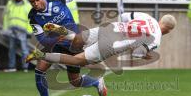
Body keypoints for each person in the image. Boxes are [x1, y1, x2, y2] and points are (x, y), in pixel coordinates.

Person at [26, 0, 107, 96]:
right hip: (55, 44)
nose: (35, 3)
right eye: (32, 2)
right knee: (39, 70)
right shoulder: (33, 17)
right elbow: (42, 39)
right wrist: (55, 40)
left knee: (74, 81)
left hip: (74, 43)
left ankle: (96, 82)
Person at [26, 12, 177, 67]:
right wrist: (145, 54)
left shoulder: (146, 16)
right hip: (112, 44)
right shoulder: (156, 39)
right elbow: (137, 53)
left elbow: (124, 16)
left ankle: (60, 29)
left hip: (110, 28)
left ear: (160, 19)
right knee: (78, 60)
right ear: (168, 30)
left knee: (79, 38)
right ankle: (42, 55)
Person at [3, 0, 33, 72]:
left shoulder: (27, 5)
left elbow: (30, 19)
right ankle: (11, 67)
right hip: (11, 30)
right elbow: (6, 17)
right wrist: (5, 30)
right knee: (11, 49)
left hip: (23, 31)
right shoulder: (10, 4)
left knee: (24, 50)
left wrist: (29, 31)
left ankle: (25, 67)